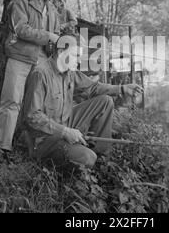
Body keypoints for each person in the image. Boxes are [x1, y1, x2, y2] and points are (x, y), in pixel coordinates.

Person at [20, 35, 143, 169]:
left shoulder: (70, 72)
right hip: (44, 139)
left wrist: (122, 88)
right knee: (87, 158)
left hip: (64, 123)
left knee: (105, 101)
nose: (79, 60)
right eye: (75, 55)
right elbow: (32, 117)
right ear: (61, 52)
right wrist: (65, 132)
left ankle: (101, 159)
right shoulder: (40, 74)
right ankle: (58, 164)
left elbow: (93, 88)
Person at [0, 0, 62, 153]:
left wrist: (60, 42)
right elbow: (21, 29)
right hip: (19, 57)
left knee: (36, 107)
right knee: (11, 102)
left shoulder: (52, 10)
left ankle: (33, 148)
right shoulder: (20, 2)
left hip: (41, 63)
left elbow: (56, 35)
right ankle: (2, 148)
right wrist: (48, 35)